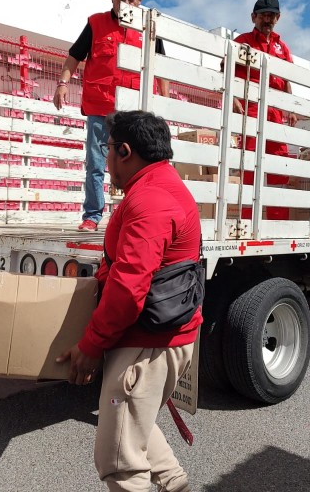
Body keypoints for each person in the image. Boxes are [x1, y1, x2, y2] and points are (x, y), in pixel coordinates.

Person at [57, 110, 201, 492]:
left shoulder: (151, 199)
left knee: (120, 462)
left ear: (125, 150)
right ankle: (175, 485)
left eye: (107, 151)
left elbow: (128, 287)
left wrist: (91, 346)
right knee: (138, 424)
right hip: (153, 339)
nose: (104, 162)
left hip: (146, 345)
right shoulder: (159, 186)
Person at [54, 0, 169, 232]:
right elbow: (74, 56)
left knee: (140, 165)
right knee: (96, 164)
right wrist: (62, 83)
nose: (126, 2)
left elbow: (163, 70)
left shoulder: (150, 30)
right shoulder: (96, 24)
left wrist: (164, 101)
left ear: (140, 0)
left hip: (136, 112)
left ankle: (135, 215)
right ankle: (92, 216)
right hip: (100, 108)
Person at [233, 0, 293, 220]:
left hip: (276, 114)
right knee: (249, 165)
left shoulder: (282, 47)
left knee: (280, 164)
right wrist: (234, 101)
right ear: (253, 17)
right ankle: (246, 222)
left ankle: (278, 222)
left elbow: (288, 80)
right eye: (263, 15)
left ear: (278, 18)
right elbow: (225, 72)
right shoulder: (242, 41)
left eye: (272, 16)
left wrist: (292, 108)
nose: (268, 20)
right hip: (251, 110)